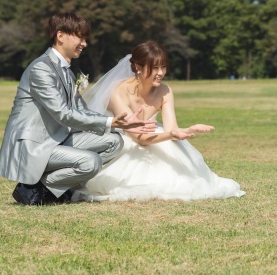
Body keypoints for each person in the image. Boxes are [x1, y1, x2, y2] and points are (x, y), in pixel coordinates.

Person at [0, 13, 156, 206]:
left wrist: (121, 124)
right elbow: (62, 113)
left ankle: (47, 188)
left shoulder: (67, 72)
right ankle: (32, 190)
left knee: (114, 141)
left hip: (56, 138)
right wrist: (109, 121)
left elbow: (81, 110)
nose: (84, 44)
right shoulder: (41, 69)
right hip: (33, 144)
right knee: (91, 162)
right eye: (80, 38)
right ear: (60, 36)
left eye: (85, 39)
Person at [71, 40, 245, 202]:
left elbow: (172, 128)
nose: (161, 73)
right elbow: (139, 138)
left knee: (183, 178)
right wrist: (170, 135)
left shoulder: (164, 91)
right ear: (138, 67)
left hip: (153, 136)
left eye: (163, 67)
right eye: (155, 68)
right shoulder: (119, 92)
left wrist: (187, 130)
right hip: (123, 141)